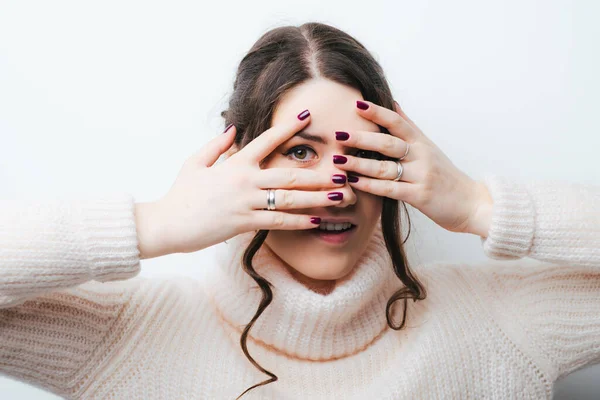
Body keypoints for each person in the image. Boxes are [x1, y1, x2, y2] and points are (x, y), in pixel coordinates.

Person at [0, 21, 599, 400]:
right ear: (239, 163)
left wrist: (478, 206)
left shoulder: (495, 322)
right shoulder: (128, 336)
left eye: (361, 151)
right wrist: (154, 225)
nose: (334, 187)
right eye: (300, 151)